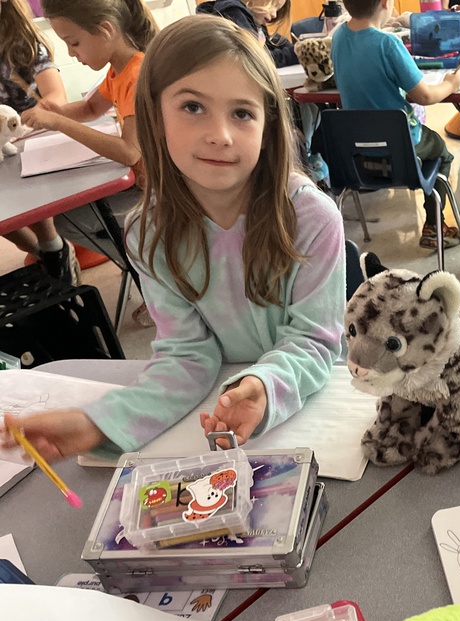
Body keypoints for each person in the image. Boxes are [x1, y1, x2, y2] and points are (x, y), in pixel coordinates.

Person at [0, 15, 347, 462]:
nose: (220, 136)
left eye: (242, 113)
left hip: (310, 412)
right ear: (153, 115)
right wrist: (96, 423)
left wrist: (264, 385)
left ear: (268, 125)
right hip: (209, 419)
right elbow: (186, 356)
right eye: (192, 107)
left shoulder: (311, 217)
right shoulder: (149, 235)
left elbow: (315, 341)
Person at [331, 0, 460, 249]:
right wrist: (451, 84)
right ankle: (435, 226)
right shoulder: (388, 43)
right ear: (385, 3)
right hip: (400, 149)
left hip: (358, 157)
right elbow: (424, 97)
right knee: (442, 151)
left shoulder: (338, 39)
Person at [21, 0, 155, 179]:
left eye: (74, 43)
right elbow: (91, 108)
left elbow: (130, 152)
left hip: (160, 190)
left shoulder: (137, 75)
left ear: (106, 31)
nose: (70, 53)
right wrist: (56, 112)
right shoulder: (118, 71)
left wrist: (57, 122)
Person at [0, 0, 78, 284]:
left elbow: (56, 95)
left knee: (32, 206)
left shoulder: (23, 44)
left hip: (27, 141)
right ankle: (48, 253)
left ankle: (51, 247)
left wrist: (44, 110)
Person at [195, 0, 299, 67]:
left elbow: (267, 44)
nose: (274, 14)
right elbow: (256, 58)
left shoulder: (253, 20)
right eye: (274, 5)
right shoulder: (233, 11)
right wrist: (297, 53)